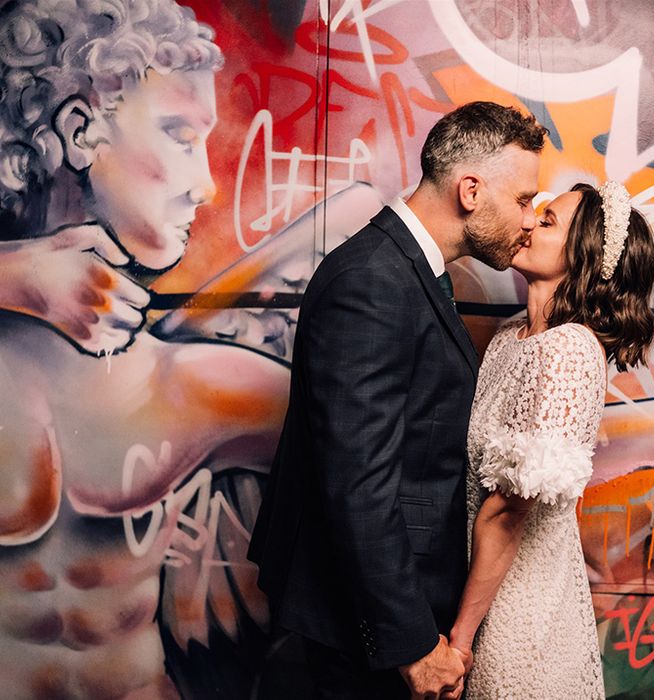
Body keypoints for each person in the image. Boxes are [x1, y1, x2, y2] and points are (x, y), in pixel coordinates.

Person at [0, 1, 290, 697]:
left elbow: (381, 470)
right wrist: (18, 277)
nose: (207, 184)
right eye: (179, 135)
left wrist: (235, 516)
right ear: (79, 131)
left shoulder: (193, 384)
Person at [248, 101, 547, 699]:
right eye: (521, 200)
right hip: (364, 620)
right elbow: (357, 480)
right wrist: (410, 644)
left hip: (388, 599)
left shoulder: (408, 269)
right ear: (470, 190)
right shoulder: (374, 280)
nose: (528, 220)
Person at [449, 181, 654, 698]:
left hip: (518, 616)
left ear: (582, 257)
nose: (526, 223)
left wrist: (460, 639)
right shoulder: (509, 338)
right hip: (478, 590)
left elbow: (508, 511)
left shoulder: (568, 352)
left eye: (547, 221)